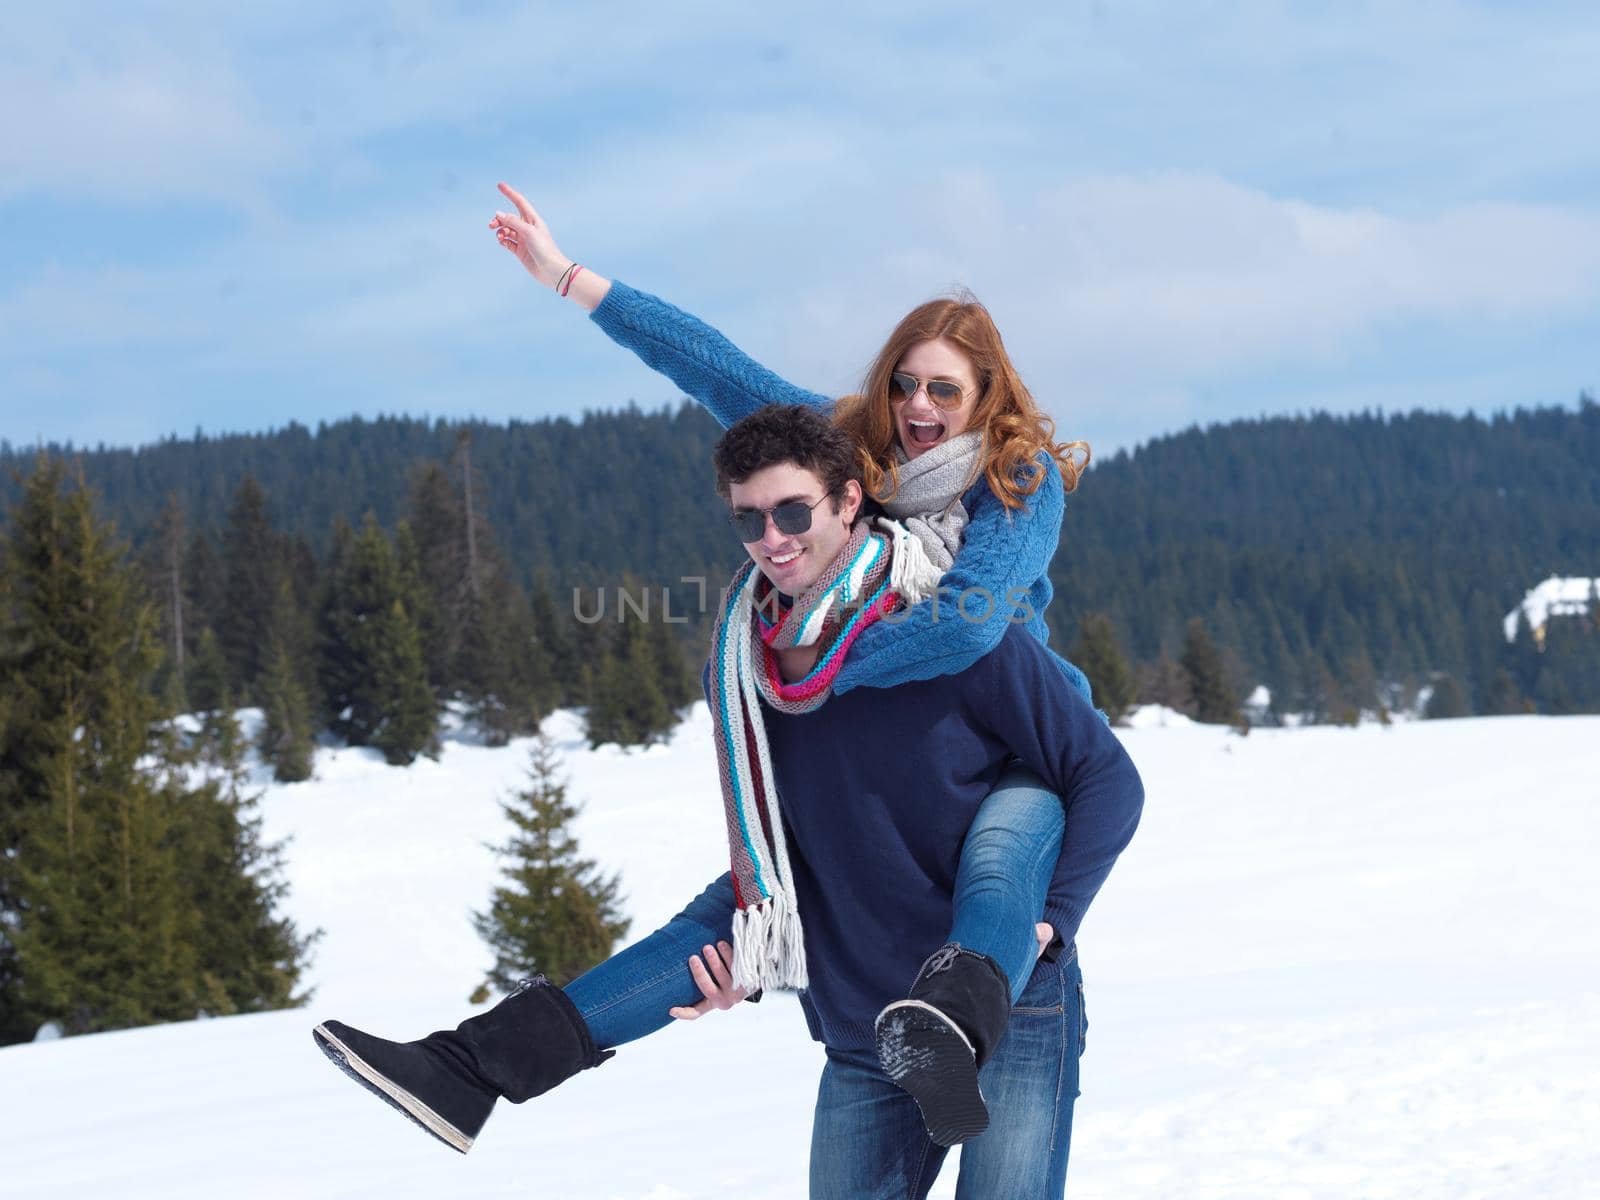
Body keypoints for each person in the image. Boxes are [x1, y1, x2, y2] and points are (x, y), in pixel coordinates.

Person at [314, 406, 1144, 1198]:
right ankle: (471, 1068)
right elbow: (789, 858)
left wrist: (1051, 920)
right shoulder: (750, 674)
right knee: (721, 919)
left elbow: (1106, 780)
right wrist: (748, 966)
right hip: (864, 1026)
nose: (772, 541)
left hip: (1008, 1006)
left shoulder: (955, 629)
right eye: (750, 520)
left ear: (850, 499)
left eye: (792, 511)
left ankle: (475, 1066)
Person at [485, 184, 1103, 1134]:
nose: (918, 405)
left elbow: (972, 624)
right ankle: (489, 1059)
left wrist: (820, 669)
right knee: (755, 888)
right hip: (902, 739)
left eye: (943, 388)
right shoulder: (853, 449)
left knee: (996, 868)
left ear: (985, 395)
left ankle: (961, 1017)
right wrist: (568, 277)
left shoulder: (1014, 480)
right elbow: (712, 366)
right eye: (905, 381)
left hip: (1012, 739)